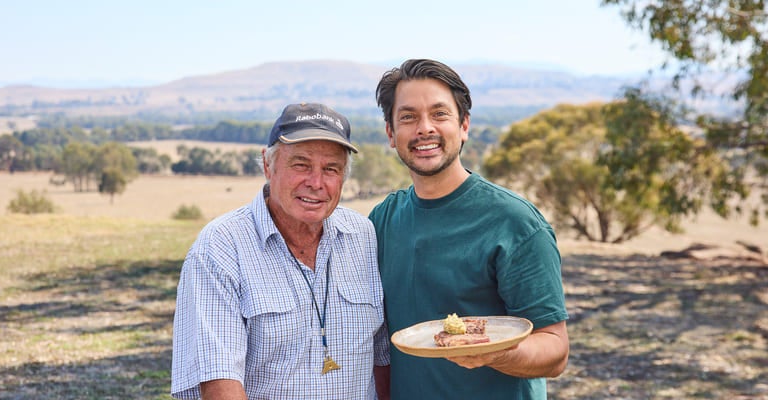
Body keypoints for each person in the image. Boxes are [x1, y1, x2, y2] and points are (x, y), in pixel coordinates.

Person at [369, 59, 570, 399]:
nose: (424, 128)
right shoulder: (383, 220)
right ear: (391, 133)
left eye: (439, 114)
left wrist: (499, 354)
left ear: (464, 126)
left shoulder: (515, 222)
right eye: (408, 117)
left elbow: (555, 350)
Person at [171, 102, 391, 400]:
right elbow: (219, 384)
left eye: (331, 169)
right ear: (267, 165)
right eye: (300, 165)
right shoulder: (221, 247)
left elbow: (382, 361)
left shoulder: (363, 236)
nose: (316, 183)